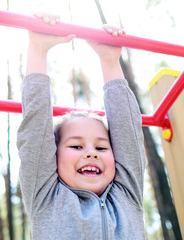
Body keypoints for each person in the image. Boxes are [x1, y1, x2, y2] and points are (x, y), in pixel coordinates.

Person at [17, 13, 146, 240]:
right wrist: (37, 48)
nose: (91, 153)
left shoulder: (127, 195)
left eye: (101, 148)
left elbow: (127, 131)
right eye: (76, 146)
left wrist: (109, 61)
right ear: (53, 157)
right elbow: (35, 131)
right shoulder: (47, 198)